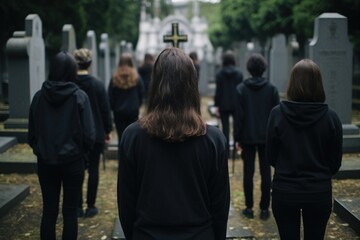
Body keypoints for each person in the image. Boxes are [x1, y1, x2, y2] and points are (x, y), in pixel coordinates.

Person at [117, 47, 230, 240]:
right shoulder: (213, 139)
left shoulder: (132, 137)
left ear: (156, 84)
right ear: (191, 84)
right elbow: (220, 205)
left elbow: (126, 202)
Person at [266, 59, 343, 239]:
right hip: (318, 191)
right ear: (318, 84)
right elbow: (335, 162)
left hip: (285, 190)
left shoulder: (277, 115)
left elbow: (271, 156)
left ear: (292, 83)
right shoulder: (331, 118)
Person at [28, 51, 96, 240]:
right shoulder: (80, 97)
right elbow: (89, 135)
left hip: (46, 161)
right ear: (71, 71)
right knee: (70, 212)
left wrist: (41, 150)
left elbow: (32, 134)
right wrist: (81, 153)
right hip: (73, 162)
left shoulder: (38, 97)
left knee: (49, 212)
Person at [234, 53, 279, 220]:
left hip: (247, 137)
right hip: (266, 137)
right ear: (263, 68)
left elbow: (239, 117)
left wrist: (237, 138)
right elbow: (276, 117)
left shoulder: (241, 89)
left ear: (249, 69)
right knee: (266, 172)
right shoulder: (272, 89)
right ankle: (265, 208)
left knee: (248, 173)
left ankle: (249, 207)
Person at [73, 48, 113, 218]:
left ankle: (77, 207)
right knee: (93, 170)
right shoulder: (97, 84)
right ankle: (91, 206)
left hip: (75, 134)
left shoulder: (71, 83)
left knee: (77, 170)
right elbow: (105, 110)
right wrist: (108, 130)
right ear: (90, 63)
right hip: (96, 133)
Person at [108, 53, 144, 150]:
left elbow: (110, 97)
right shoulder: (136, 78)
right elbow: (141, 95)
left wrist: (114, 107)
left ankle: (122, 163)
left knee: (121, 138)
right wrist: (137, 105)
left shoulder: (115, 78)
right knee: (133, 138)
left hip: (119, 113)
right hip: (133, 112)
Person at [214, 50, 243, 155]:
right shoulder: (239, 74)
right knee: (236, 127)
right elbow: (241, 91)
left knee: (225, 129)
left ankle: (226, 151)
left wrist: (216, 105)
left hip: (223, 104)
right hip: (236, 104)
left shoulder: (219, 74)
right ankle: (236, 148)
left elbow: (218, 91)